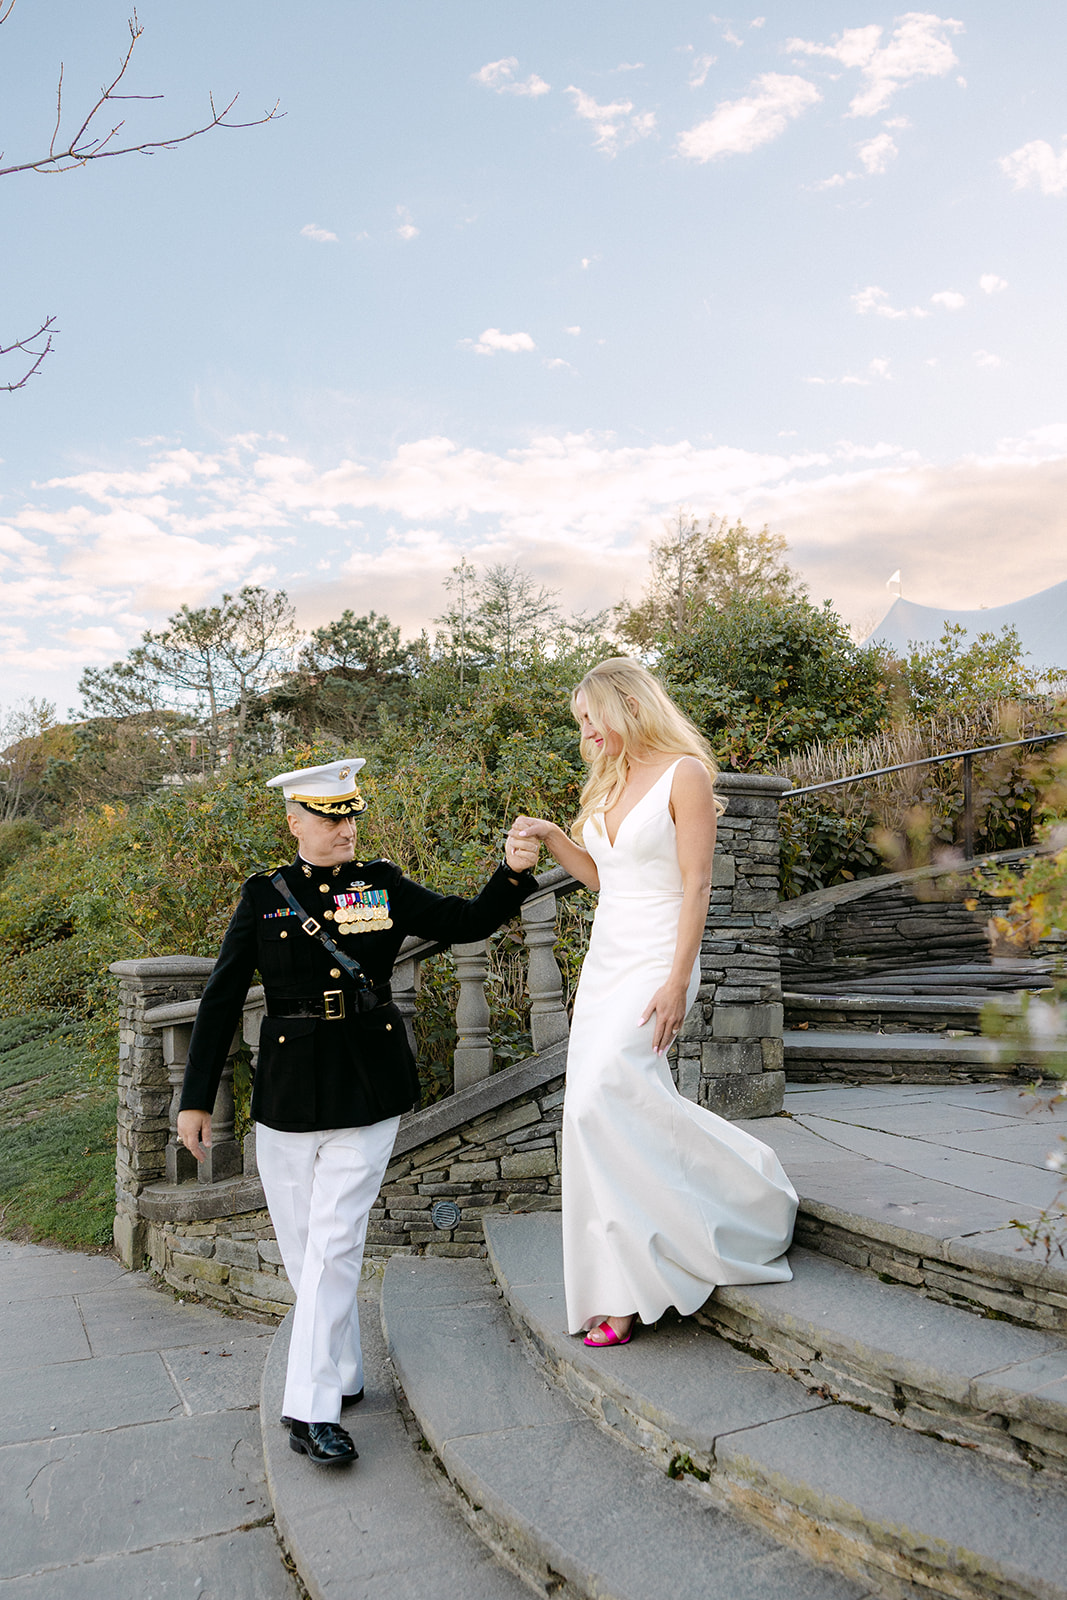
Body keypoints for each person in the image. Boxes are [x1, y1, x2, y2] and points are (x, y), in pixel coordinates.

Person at [177, 757, 540, 1465]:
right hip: (286, 1095)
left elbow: (465, 924)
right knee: (304, 1252)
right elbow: (221, 998)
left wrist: (513, 872)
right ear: (294, 821)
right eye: (328, 815)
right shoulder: (264, 896)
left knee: (336, 1241)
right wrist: (195, 1098)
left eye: (350, 813)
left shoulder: (381, 884)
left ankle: (307, 1409)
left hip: (367, 1087)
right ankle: (340, 1373)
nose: (344, 826)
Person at [508, 658, 796, 1348]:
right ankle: (620, 1282)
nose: (585, 732)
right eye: (579, 722)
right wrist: (553, 836)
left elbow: (695, 886)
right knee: (599, 1111)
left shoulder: (684, 774)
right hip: (608, 959)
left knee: (598, 1099)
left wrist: (676, 980)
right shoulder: (607, 780)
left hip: (657, 959)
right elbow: (605, 880)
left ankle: (704, 1230)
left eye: (590, 718)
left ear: (626, 707)